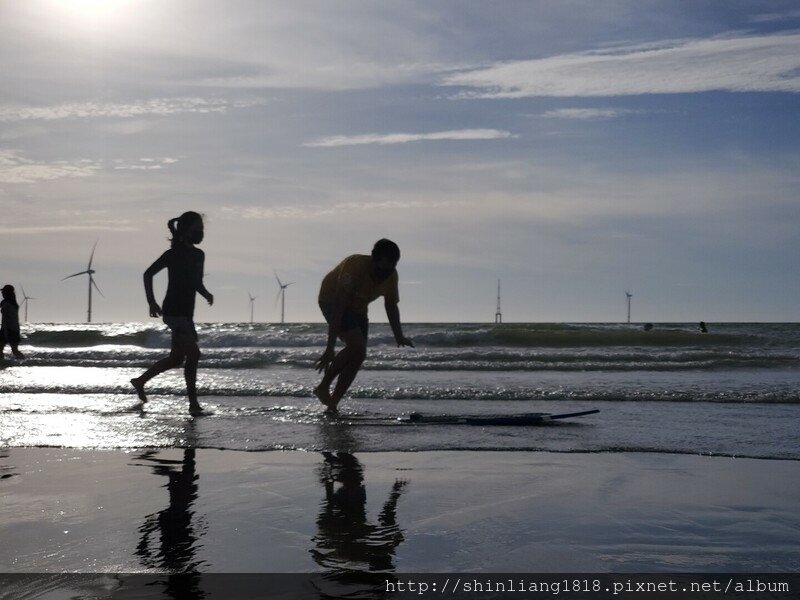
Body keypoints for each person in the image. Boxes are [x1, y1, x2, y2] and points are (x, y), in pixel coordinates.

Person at [314, 239, 414, 412]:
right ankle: (323, 386)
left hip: (358, 307)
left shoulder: (391, 276)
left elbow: (391, 306)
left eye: (388, 270)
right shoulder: (355, 266)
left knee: (359, 354)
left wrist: (399, 335)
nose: (382, 275)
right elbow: (338, 308)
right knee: (357, 345)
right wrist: (330, 348)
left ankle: (332, 404)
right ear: (373, 260)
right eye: (380, 270)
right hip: (332, 300)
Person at [130, 212, 214, 415]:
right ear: (186, 230)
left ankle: (140, 381)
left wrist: (205, 294)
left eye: (202, 229)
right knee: (194, 354)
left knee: (177, 358)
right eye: (197, 229)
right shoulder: (173, 255)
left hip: (187, 314)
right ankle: (193, 404)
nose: (200, 233)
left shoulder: (199, 255)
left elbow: (196, 282)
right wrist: (151, 301)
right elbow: (148, 273)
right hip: (173, 312)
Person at [0, 285, 25, 359]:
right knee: (13, 350)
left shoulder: (7, 303)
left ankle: (24, 362)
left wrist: (5, 331)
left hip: (9, 328)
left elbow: (6, 318)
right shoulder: (11, 302)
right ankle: (23, 362)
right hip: (13, 328)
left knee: (13, 350)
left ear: (7, 292)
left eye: (3, 291)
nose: (2, 293)